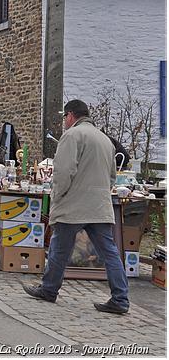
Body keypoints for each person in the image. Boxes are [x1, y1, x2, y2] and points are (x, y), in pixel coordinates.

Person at [23, 99, 129, 314]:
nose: (64, 121)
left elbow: (63, 172)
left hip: (73, 205)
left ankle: (49, 289)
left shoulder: (72, 135)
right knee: (110, 253)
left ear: (71, 115)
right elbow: (112, 177)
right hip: (99, 205)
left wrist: (57, 197)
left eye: (65, 117)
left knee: (59, 249)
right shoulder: (105, 140)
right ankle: (121, 298)